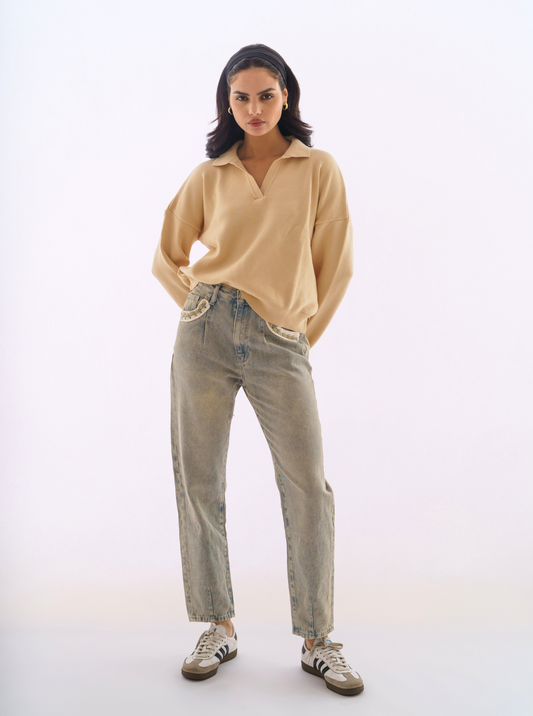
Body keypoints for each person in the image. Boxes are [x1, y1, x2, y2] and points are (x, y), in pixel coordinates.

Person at [151, 43, 364, 697]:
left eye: (265, 95)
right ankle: (217, 625)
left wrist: (297, 338)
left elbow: (336, 266)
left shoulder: (317, 168)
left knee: (307, 487)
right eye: (240, 97)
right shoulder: (209, 174)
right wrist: (198, 307)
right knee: (200, 479)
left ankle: (318, 639)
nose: (253, 108)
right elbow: (166, 257)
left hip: (280, 339)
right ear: (227, 103)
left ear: (286, 96)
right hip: (205, 333)